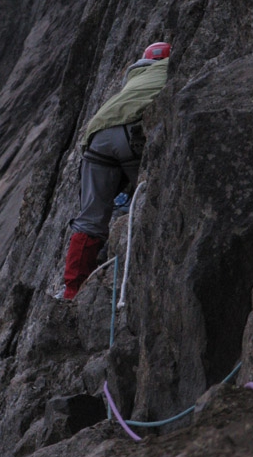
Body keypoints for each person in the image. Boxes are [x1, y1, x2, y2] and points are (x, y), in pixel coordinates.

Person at [59, 42, 171, 299]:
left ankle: (71, 290)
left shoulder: (133, 79)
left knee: (89, 219)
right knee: (149, 199)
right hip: (132, 134)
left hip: (98, 134)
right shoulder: (171, 67)